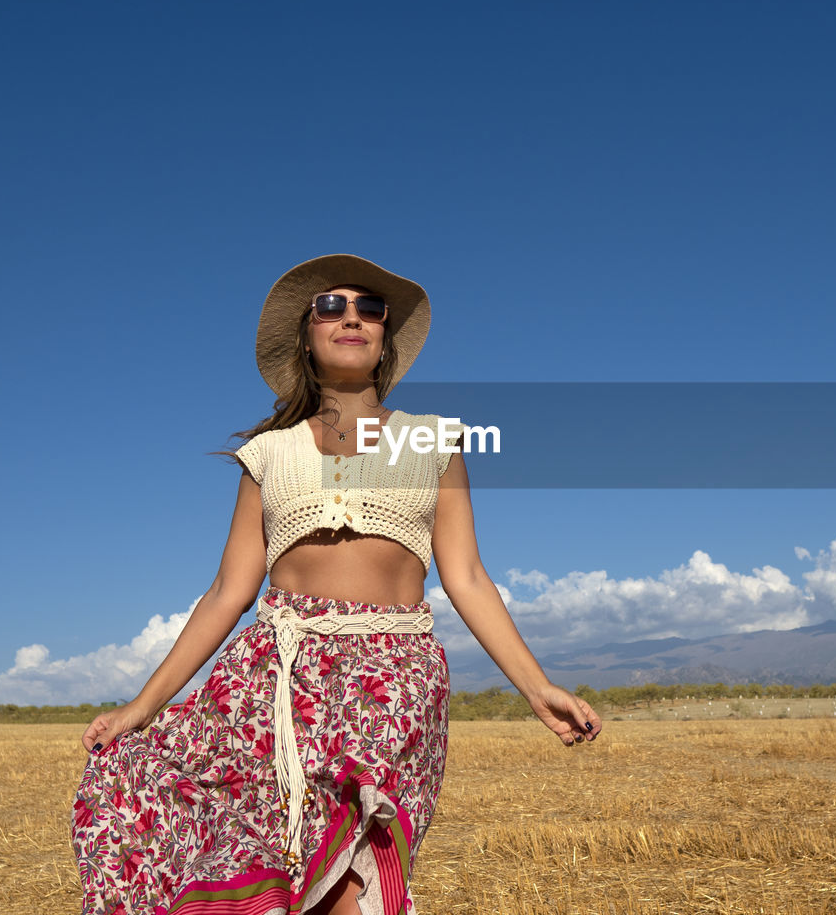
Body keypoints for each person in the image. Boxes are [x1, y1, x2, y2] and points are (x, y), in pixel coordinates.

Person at [71, 254, 601, 915]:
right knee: (277, 869)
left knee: (349, 876)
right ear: (306, 336)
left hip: (391, 674)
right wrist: (140, 707)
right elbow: (227, 593)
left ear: (384, 339)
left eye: (368, 308)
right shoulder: (267, 454)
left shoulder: (434, 441)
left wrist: (536, 686)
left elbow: (466, 576)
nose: (351, 317)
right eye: (330, 306)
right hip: (274, 675)